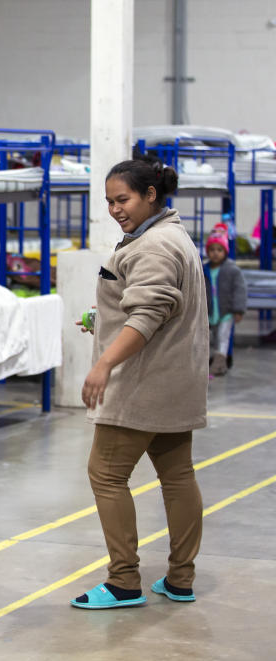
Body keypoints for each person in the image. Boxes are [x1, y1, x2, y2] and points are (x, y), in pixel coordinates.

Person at [71, 156, 208, 609]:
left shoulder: (151, 246)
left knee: (106, 475)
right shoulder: (173, 235)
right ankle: (181, 579)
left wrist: (104, 363)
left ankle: (124, 581)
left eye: (123, 199)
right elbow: (154, 307)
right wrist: (103, 321)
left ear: (151, 195)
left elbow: (149, 314)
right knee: (177, 476)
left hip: (141, 386)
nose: (115, 208)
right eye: (109, 200)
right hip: (176, 382)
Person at [204, 224, 247, 376]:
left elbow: (240, 290)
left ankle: (219, 363)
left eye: (219, 250)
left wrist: (238, 309)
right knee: (209, 337)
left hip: (226, 311)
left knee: (223, 337)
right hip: (209, 311)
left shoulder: (232, 270)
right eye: (212, 250)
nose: (215, 253)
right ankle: (210, 361)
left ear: (225, 251)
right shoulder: (204, 270)